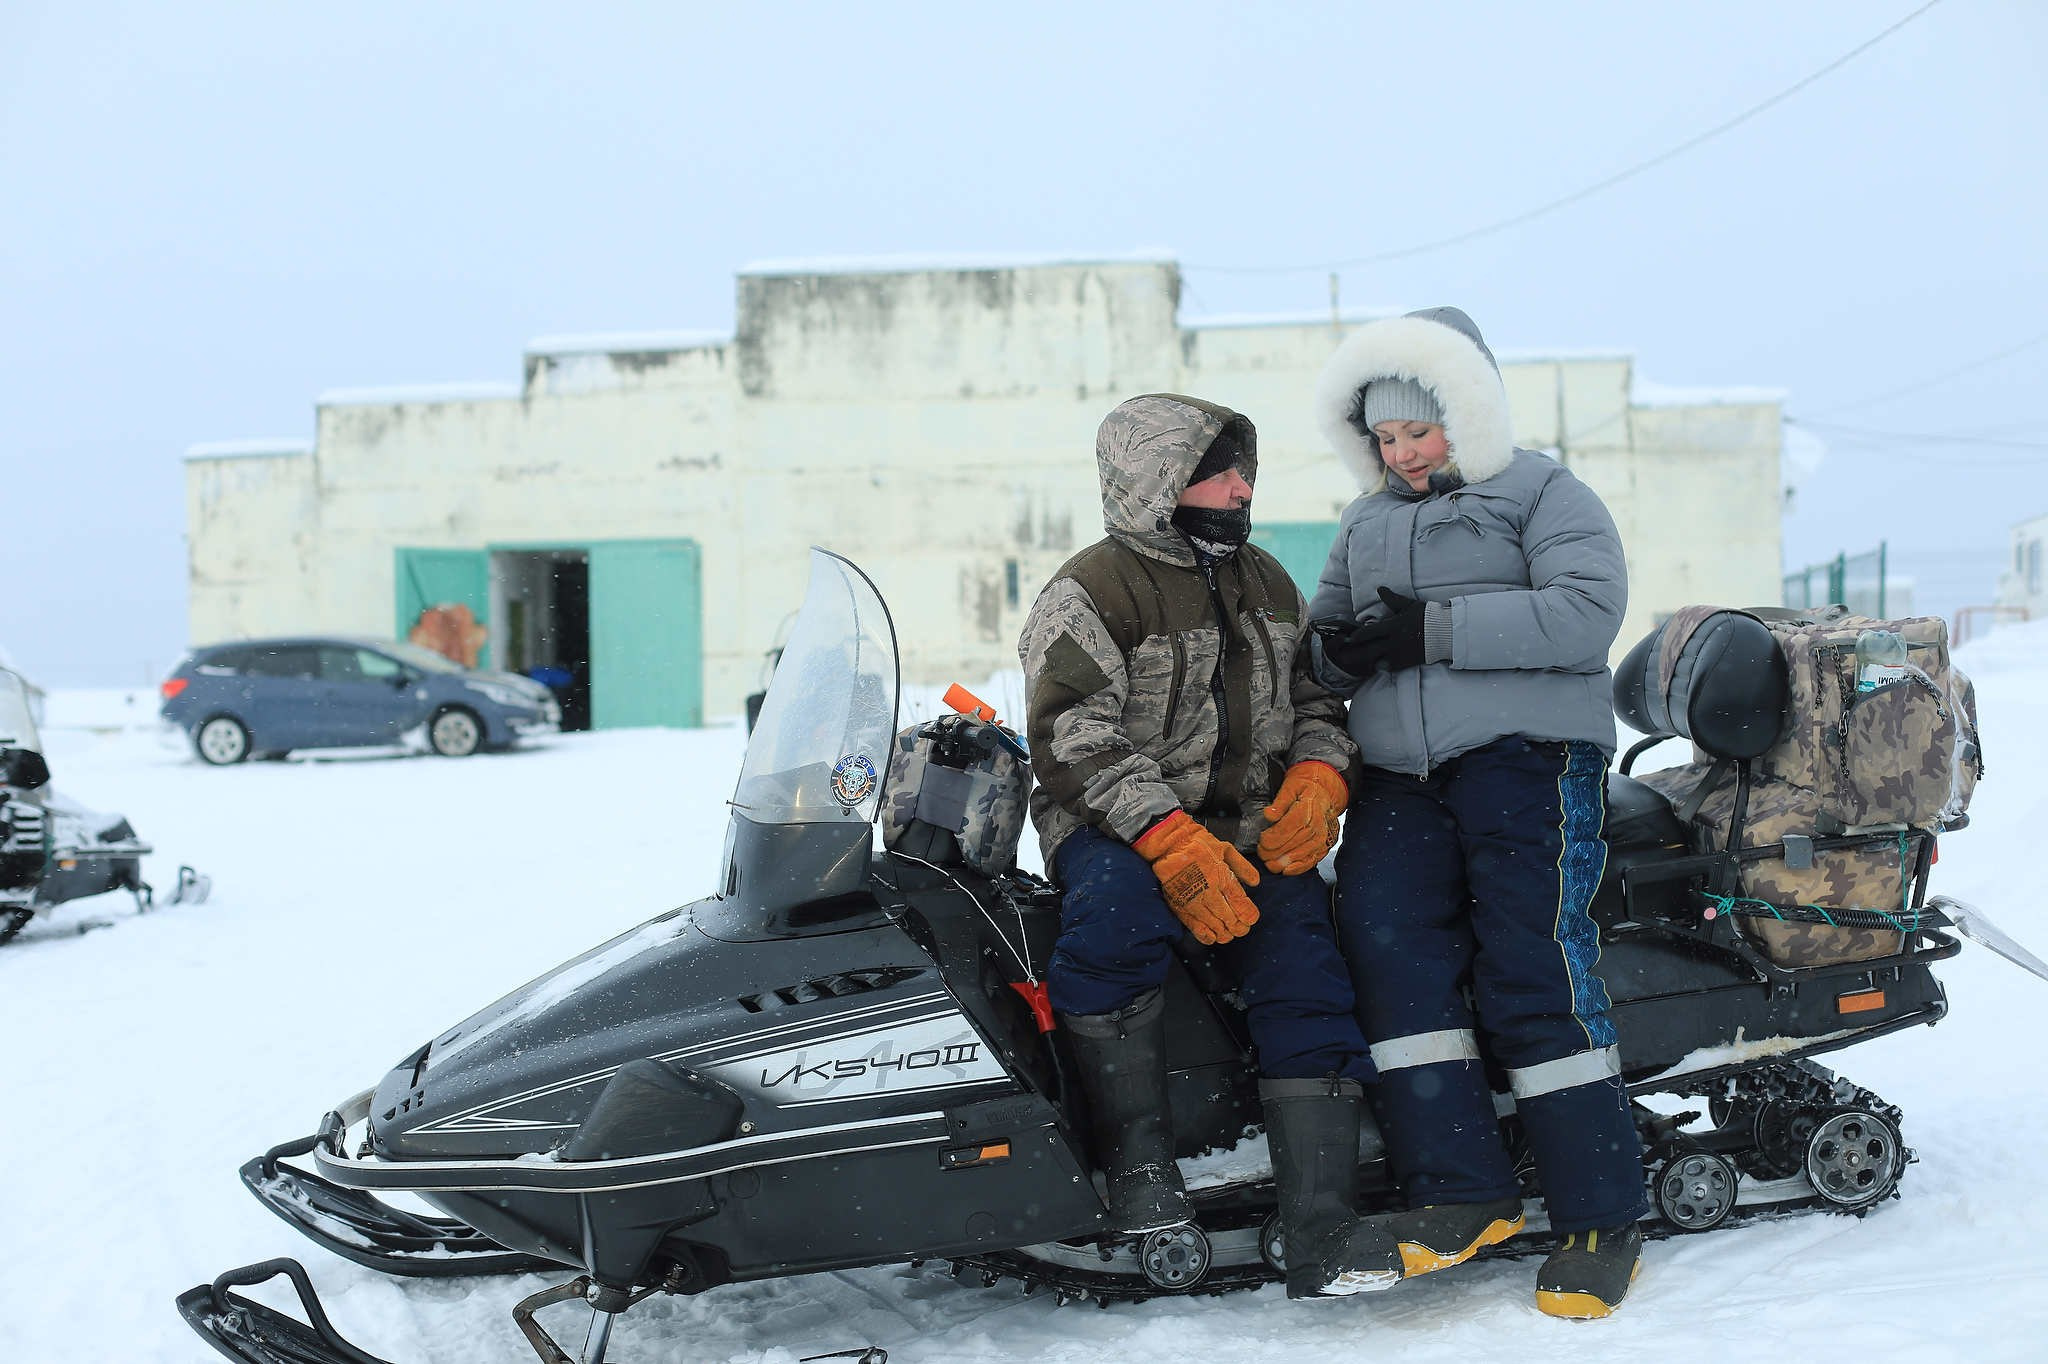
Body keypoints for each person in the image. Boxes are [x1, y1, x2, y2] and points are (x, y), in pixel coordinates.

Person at [1305, 308, 1648, 1319]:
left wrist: (1435, 627)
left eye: (1419, 431)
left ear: (1468, 413)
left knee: (1529, 959)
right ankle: (1460, 1190)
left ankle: (1599, 1210)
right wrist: (1341, 654)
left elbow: (1587, 608)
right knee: (1386, 951)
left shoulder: (1540, 489)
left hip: (1524, 753)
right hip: (1397, 776)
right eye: (1385, 439)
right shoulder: (1362, 520)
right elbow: (1325, 634)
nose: (1403, 454)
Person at [1018, 393, 1398, 1299]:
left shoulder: (1267, 582)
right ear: (1158, 486)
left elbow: (1313, 704)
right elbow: (1072, 733)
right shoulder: (1091, 590)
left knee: (1306, 962)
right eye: (1217, 474)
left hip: (1248, 827)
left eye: (1244, 473)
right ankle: (1138, 1167)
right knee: (1112, 927)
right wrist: (1166, 837)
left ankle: (1321, 1213)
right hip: (1110, 820)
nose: (1240, 490)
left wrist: (1320, 775)